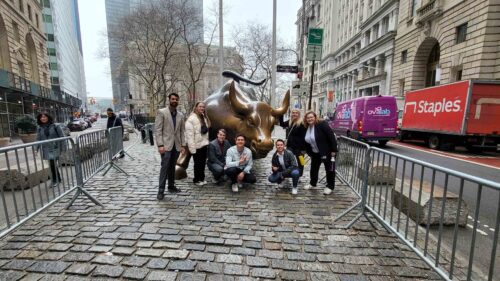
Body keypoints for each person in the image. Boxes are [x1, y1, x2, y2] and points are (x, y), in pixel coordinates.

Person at [154, 93, 186, 200]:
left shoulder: (181, 115)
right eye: (173, 99)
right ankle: (161, 190)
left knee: (172, 167)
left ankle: (171, 186)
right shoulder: (161, 112)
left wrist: (183, 145)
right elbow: (158, 130)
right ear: (169, 100)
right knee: (165, 167)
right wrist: (160, 145)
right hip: (166, 146)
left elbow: (182, 131)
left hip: (176, 146)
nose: (174, 101)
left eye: (176, 99)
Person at [303, 111, 338, 195]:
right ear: (306, 119)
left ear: (315, 117)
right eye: (308, 118)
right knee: (313, 169)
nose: (310, 119)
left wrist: (334, 150)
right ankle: (312, 183)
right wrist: (308, 152)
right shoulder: (307, 127)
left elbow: (331, 136)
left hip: (327, 151)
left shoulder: (322, 124)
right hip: (315, 152)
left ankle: (330, 186)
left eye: (311, 117)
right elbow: (307, 141)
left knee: (329, 169)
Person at [35, 112, 65, 188]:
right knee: (52, 164)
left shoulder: (55, 126)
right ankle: (57, 179)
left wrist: (63, 149)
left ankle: (55, 180)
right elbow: (38, 139)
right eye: (41, 117)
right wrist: (36, 149)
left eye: (44, 117)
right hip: (46, 149)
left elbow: (62, 137)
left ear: (48, 117)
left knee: (52, 164)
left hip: (55, 148)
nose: (43, 118)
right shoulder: (39, 128)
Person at [185, 102, 211, 186]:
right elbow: (189, 135)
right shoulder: (191, 119)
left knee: (203, 163)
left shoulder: (204, 117)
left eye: (203, 107)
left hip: (204, 144)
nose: (202, 108)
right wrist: (192, 148)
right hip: (196, 145)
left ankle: (201, 178)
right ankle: (196, 180)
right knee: (197, 163)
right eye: (200, 106)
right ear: (196, 107)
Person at [279, 108, 307, 176]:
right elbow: (282, 124)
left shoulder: (302, 123)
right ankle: (288, 172)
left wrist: (304, 149)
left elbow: (304, 137)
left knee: (301, 161)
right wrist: (281, 114)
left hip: (300, 147)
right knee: (287, 159)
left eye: (296, 113)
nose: (294, 114)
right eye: (293, 113)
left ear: (299, 114)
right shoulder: (290, 122)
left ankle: (300, 174)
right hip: (290, 146)